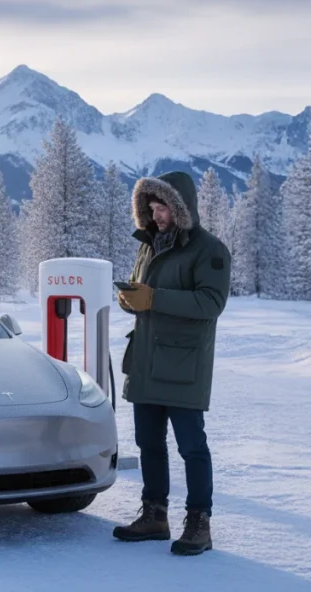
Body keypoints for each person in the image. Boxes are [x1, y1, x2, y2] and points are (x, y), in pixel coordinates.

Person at [112, 170, 231, 557]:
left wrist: (154, 299)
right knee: (148, 443)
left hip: (183, 364)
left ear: (181, 207)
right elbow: (141, 288)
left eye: (162, 206)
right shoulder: (148, 245)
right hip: (146, 359)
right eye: (151, 206)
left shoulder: (209, 250)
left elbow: (211, 303)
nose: (155, 213)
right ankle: (154, 515)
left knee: (191, 446)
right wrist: (130, 298)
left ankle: (199, 523)